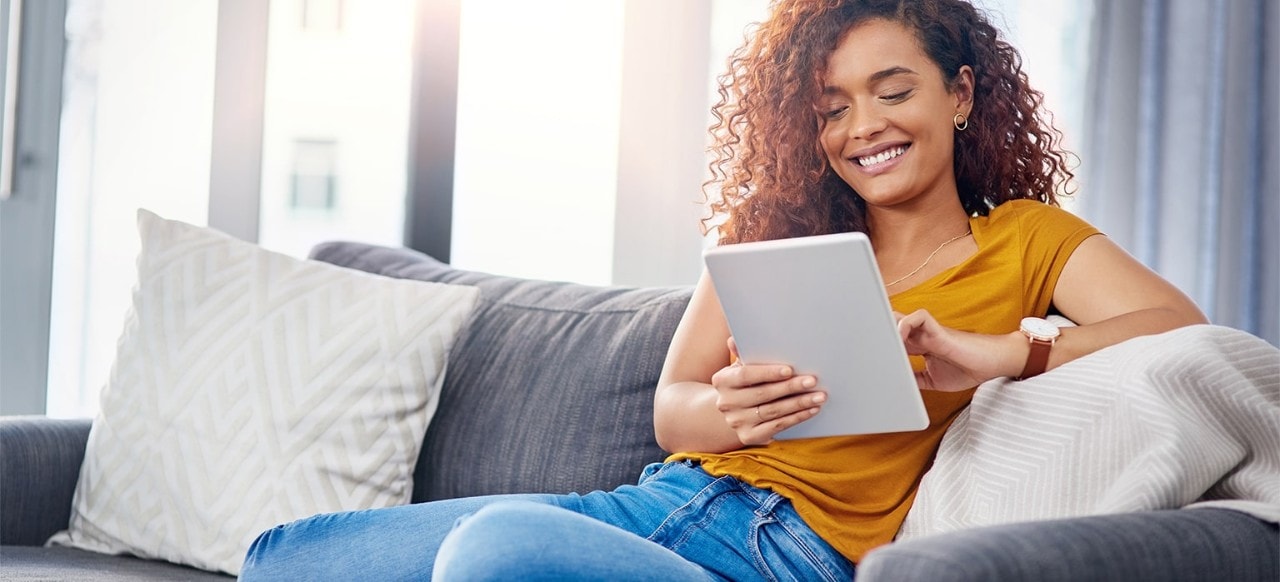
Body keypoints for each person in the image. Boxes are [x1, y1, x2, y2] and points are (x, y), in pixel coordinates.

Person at [239, 0, 1206, 579]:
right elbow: (673, 408)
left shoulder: (1026, 239)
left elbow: (1179, 328)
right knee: (281, 557)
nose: (863, 125)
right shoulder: (778, 235)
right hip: (667, 507)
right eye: (833, 107)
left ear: (959, 95)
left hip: (792, 553)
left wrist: (1007, 352)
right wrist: (737, 413)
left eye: (894, 90)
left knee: (494, 553)